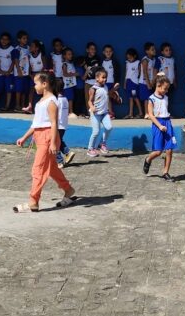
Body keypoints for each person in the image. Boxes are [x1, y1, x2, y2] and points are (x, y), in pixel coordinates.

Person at [14, 73, 76, 212]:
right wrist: (24, 137)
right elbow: (36, 124)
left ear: (45, 84)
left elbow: (54, 123)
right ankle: (68, 189)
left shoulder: (52, 101)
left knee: (38, 168)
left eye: (36, 83)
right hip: (40, 136)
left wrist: (53, 143)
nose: (34, 86)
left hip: (48, 137)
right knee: (52, 169)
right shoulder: (40, 102)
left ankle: (33, 201)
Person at [142, 76, 175, 179]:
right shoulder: (151, 99)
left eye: (167, 88)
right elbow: (151, 115)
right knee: (158, 151)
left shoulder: (166, 97)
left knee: (169, 149)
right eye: (165, 88)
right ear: (158, 86)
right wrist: (160, 126)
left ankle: (165, 172)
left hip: (167, 122)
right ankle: (148, 159)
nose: (166, 91)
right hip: (158, 123)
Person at [87, 67, 113, 157]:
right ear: (97, 78)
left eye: (106, 77)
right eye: (103, 77)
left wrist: (114, 89)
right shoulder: (93, 89)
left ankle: (102, 144)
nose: (105, 79)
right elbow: (89, 101)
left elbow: (107, 95)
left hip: (104, 113)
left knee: (109, 127)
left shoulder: (106, 87)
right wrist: (92, 107)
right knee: (96, 132)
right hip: (95, 114)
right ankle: (90, 149)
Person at [0, 32, 16, 111]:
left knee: (9, 90)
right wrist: (0, 71)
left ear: (9, 41)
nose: (4, 41)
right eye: (2, 39)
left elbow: (14, 61)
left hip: (10, 74)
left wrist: (9, 71)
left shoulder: (12, 49)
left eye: (6, 39)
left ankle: (7, 106)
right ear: (0, 40)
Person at [53, 78, 75, 166]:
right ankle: (67, 153)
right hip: (64, 124)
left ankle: (59, 161)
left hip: (58, 125)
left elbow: (57, 114)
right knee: (59, 141)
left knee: (55, 142)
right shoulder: (65, 99)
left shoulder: (57, 101)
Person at [13, 30, 31, 112]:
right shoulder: (17, 49)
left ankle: (23, 105)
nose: (25, 40)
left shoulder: (28, 48)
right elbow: (16, 61)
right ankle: (17, 105)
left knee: (24, 90)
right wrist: (19, 70)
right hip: (19, 73)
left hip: (26, 73)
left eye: (26, 38)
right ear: (19, 39)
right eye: (23, 38)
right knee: (18, 90)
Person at [124, 47, 143, 118]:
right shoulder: (127, 63)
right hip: (129, 83)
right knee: (130, 98)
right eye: (128, 58)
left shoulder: (138, 63)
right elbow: (126, 73)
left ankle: (141, 113)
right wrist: (125, 83)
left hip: (134, 83)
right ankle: (130, 114)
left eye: (130, 58)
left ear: (134, 56)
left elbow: (140, 73)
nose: (129, 59)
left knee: (135, 97)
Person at [61, 47, 79, 117]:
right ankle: (70, 112)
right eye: (68, 54)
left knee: (71, 98)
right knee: (69, 98)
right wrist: (75, 74)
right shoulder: (65, 64)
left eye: (71, 54)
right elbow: (65, 74)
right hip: (67, 85)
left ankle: (69, 112)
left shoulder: (71, 63)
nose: (70, 55)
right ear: (64, 56)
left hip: (71, 84)